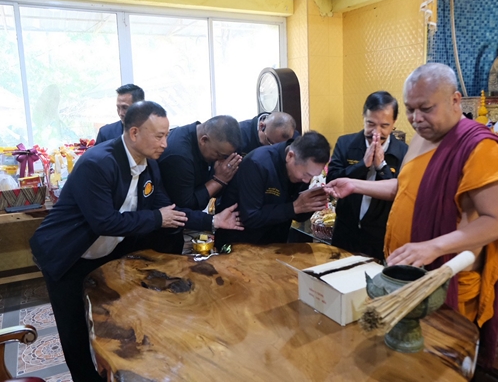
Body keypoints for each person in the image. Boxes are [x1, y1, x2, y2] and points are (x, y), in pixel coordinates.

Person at [325, 63, 498, 368]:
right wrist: (355, 184)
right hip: (405, 271)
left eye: (426, 108)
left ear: (455, 100)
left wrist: (433, 247)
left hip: (444, 277)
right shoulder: (421, 138)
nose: (416, 118)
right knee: (402, 361)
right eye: (410, 109)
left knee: (438, 364)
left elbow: (496, 221)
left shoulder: (479, 147)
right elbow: (402, 187)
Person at [30, 101, 242, 381]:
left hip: (105, 253)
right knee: (75, 332)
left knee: (112, 321)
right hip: (68, 254)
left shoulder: (149, 166)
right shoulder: (98, 163)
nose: (165, 143)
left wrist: (212, 221)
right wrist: (156, 218)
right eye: (159, 136)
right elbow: (104, 222)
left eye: (166, 135)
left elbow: (168, 210)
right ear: (134, 133)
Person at [327, 91, 408, 260]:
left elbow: (400, 195)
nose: (376, 132)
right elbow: (332, 181)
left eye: (384, 126)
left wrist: (381, 166)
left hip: (379, 237)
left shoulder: (403, 152)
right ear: (364, 117)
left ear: (394, 123)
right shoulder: (345, 143)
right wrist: (362, 165)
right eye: (370, 124)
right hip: (345, 233)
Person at [216, 131, 331, 246]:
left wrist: (311, 204)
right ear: (290, 156)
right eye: (306, 174)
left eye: (312, 176)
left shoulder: (302, 170)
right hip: (240, 243)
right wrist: (294, 207)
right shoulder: (257, 163)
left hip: (276, 243)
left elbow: (297, 215)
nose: (307, 180)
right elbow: (251, 217)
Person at [157, 115, 243, 212]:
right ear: (204, 140)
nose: (221, 160)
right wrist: (219, 180)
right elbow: (185, 207)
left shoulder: (200, 136)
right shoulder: (179, 157)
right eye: (219, 155)